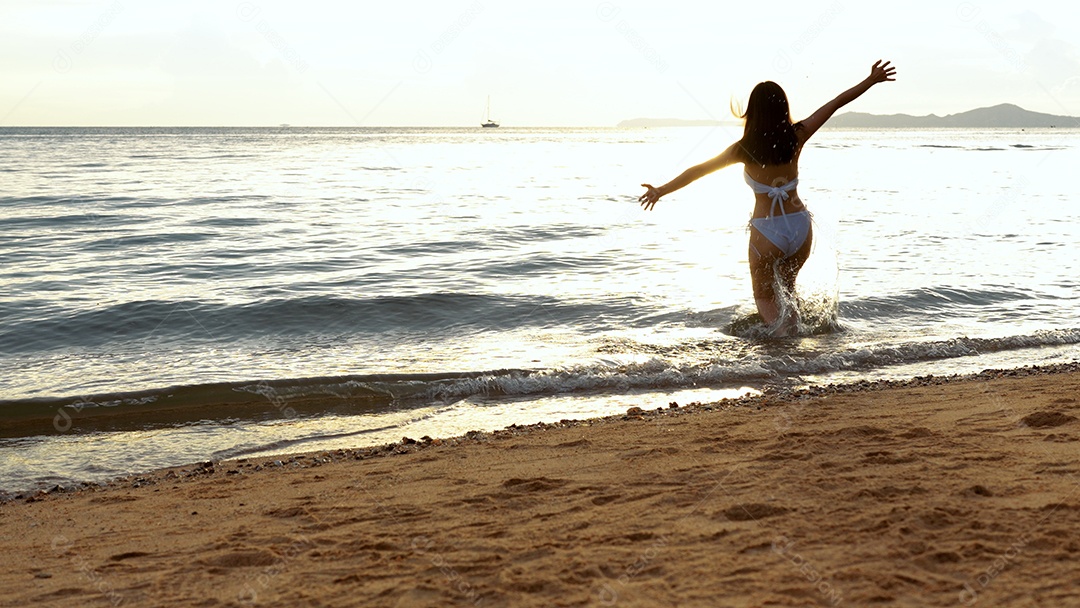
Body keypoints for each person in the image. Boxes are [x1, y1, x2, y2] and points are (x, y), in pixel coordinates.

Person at [640, 60, 897, 336]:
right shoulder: (797, 135)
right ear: (783, 108)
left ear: (753, 112)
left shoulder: (742, 149)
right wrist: (870, 81)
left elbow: (697, 171)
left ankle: (782, 344)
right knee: (787, 290)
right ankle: (796, 339)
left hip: (767, 231)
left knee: (764, 296)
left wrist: (660, 190)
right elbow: (834, 104)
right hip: (800, 227)